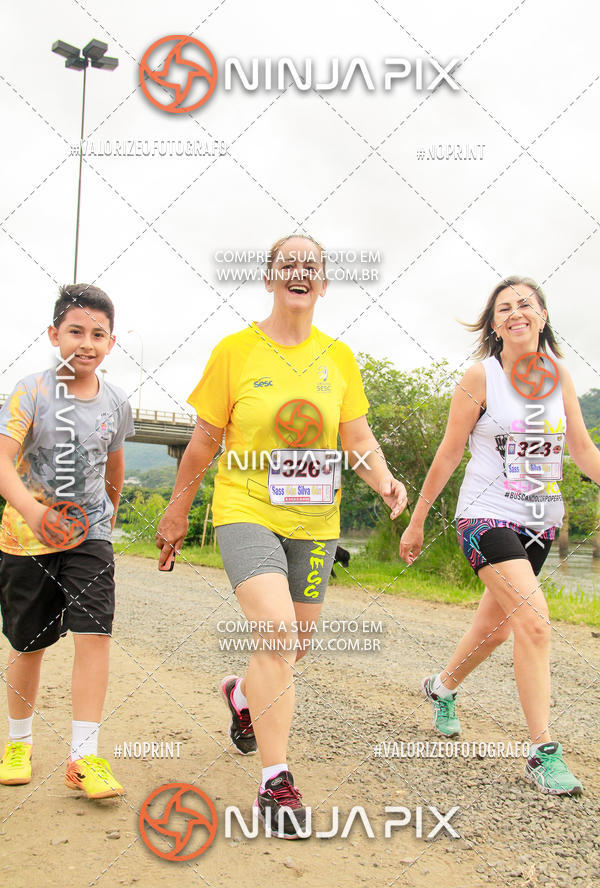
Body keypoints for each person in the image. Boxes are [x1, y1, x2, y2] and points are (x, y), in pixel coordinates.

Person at [156, 234, 407, 837]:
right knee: (277, 630)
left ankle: (242, 694)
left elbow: (356, 437)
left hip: (317, 519)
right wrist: (175, 511)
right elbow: (204, 441)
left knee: (292, 647)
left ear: (322, 284)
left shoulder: (338, 357)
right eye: (288, 264)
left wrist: (386, 480)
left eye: (312, 267)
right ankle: (277, 781)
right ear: (269, 278)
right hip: (246, 507)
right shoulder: (236, 351)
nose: (301, 273)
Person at [400, 276, 600, 796]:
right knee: (534, 623)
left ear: (542, 316)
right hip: (485, 518)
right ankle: (542, 753)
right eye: (504, 307)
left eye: (526, 304)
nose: (516, 312)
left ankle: (441, 687)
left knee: (498, 630)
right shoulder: (480, 377)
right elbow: (449, 452)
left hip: (540, 523)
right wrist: (419, 519)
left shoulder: (559, 377)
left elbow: (581, 451)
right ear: (494, 324)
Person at [0, 284, 134, 799]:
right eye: (76, 331)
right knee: (27, 643)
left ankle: (84, 757)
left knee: (94, 633)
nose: (87, 342)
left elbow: (114, 463)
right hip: (26, 540)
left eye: (98, 333)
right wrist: (34, 512)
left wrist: (108, 514)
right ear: (54, 334)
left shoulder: (117, 401)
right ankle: (18, 742)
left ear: (111, 342)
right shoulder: (31, 390)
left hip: (90, 537)